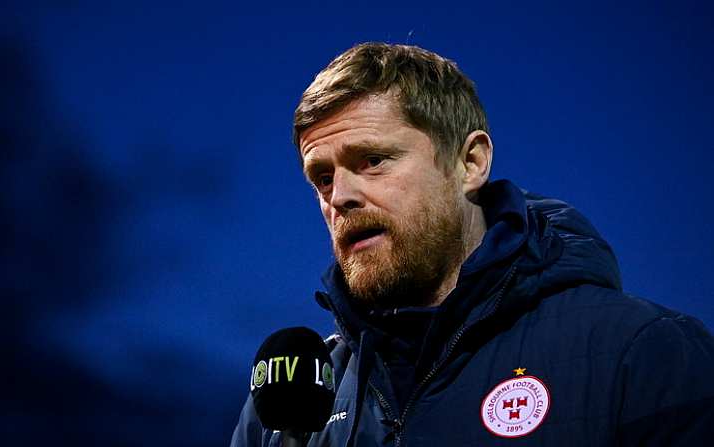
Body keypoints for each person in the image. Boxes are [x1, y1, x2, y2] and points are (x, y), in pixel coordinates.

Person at [230, 43, 714, 446]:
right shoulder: (285, 411)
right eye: (322, 178)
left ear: (471, 163)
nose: (342, 196)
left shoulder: (644, 353)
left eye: (374, 160)